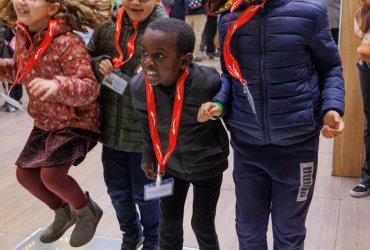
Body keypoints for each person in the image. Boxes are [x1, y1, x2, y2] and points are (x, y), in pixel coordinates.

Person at [208, 0, 345, 249]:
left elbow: (331, 67)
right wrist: (218, 103)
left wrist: (332, 108)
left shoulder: (310, 12)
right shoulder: (228, 19)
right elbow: (230, 75)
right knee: (248, 232)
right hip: (247, 144)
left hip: (297, 146)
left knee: (289, 233)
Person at [0, 0, 112, 247]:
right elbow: (21, 70)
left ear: (52, 8)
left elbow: (89, 88)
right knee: (25, 175)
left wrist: (57, 85)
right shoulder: (23, 35)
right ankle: (64, 212)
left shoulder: (67, 42)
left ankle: (86, 211)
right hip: (45, 120)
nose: (21, 1)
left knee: (51, 175)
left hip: (77, 120)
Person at [130, 18, 230, 250]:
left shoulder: (207, 83)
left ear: (184, 61)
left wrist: (217, 107)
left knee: (201, 224)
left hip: (207, 166)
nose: (147, 63)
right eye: (144, 53)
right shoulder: (138, 87)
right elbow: (147, 125)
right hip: (170, 166)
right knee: (169, 224)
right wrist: (148, 155)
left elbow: (228, 103)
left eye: (159, 56)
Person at [87, 2, 167, 249]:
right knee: (117, 192)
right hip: (111, 133)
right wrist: (97, 62)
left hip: (147, 137)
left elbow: (143, 90)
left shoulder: (165, 32)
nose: (136, 2)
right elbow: (86, 57)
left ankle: (154, 239)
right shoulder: (106, 24)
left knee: (146, 195)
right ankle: (131, 235)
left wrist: (108, 76)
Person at [351, 0, 370, 198]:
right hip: (366, 67)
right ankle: (368, 179)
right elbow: (359, 33)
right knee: (369, 124)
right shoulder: (364, 11)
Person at [0, 24, 22, 112]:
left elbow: (1, 39)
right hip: (15, 52)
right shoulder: (12, 20)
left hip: (6, 54)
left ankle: (10, 103)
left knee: (7, 80)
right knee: (16, 76)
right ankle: (17, 99)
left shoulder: (2, 22)